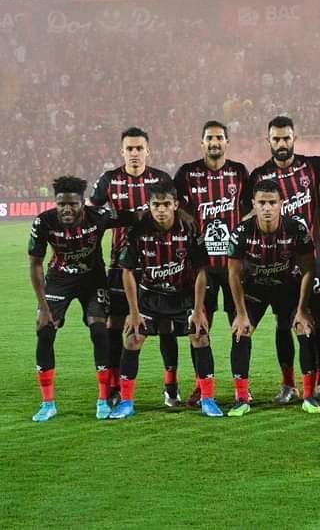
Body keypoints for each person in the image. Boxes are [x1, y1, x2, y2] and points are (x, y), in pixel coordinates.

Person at [109, 180, 222, 418]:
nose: (161, 209)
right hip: (150, 296)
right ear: (148, 206)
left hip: (183, 297)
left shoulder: (190, 230)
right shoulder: (138, 231)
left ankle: (208, 399)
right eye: (156, 205)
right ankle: (126, 402)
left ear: (175, 205)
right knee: (133, 339)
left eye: (166, 204)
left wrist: (199, 309)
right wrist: (134, 310)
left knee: (200, 336)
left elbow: (202, 271)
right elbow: (127, 272)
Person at [28, 176, 135, 422]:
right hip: (59, 279)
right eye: (61, 204)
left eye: (73, 204)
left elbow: (134, 217)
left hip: (93, 281)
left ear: (82, 204)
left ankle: (103, 399)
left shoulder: (98, 216)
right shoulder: (44, 221)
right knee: (44, 330)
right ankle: (47, 404)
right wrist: (43, 307)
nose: (67, 209)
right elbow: (35, 264)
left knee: (100, 330)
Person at [248, 116, 320, 404]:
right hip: (281, 264)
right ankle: (289, 385)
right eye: (276, 139)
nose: (281, 144)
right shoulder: (260, 176)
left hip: (314, 257)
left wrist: (319, 208)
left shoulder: (313, 166)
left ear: (294, 138)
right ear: (269, 141)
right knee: (284, 321)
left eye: (286, 138)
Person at [89, 126, 178, 407]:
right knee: (116, 325)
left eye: (139, 148)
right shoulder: (109, 180)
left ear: (148, 150)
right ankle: (115, 386)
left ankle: (171, 387)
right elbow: (92, 215)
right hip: (119, 265)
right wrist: (125, 216)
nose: (135, 153)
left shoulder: (161, 179)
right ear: (122, 151)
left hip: (158, 266)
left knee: (166, 325)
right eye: (129, 149)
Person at [227, 179, 319, 416]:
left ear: (282, 204)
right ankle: (242, 398)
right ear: (253, 205)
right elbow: (234, 274)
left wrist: (302, 309)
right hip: (255, 290)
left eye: (272, 203)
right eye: (262, 203)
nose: (267, 208)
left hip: (287, 288)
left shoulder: (296, 229)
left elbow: (309, 269)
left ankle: (308, 396)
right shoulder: (242, 231)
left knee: (303, 328)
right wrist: (241, 313)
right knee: (241, 331)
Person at [174, 120, 250, 406]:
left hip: (233, 265)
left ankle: (242, 388)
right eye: (209, 138)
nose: (214, 142)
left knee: (240, 325)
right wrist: (186, 214)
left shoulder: (239, 172)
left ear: (227, 142)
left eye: (219, 137)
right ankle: (200, 385)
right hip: (200, 267)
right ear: (202, 142)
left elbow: (250, 202)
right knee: (198, 327)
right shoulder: (188, 173)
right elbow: (171, 199)